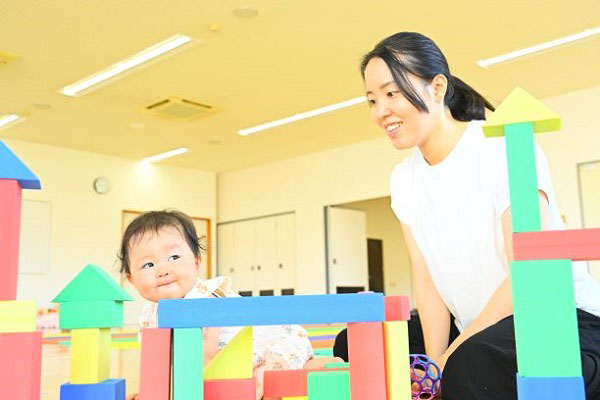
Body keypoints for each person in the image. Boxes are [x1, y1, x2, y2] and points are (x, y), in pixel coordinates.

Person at [333, 32, 600, 399]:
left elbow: (526, 275)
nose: (381, 112)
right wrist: (432, 365)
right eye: (372, 100)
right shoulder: (404, 179)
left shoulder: (501, 149)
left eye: (392, 93)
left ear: (438, 86)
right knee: (356, 342)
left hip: (559, 320)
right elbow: (426, 281)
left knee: (469, 364)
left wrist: (447, 362)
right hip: (479, 327)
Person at [120, 210, 340, 400]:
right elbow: (160, 363)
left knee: (291, 376)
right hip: (234, 363)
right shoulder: (150, 315)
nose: (162, 269)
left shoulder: (200, 301)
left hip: (266, 348)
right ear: (131, 278)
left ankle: (335, 366)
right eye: (148, 264)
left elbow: (204, 360)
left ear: (196, 263)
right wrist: (150, 392)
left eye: (174, 257)